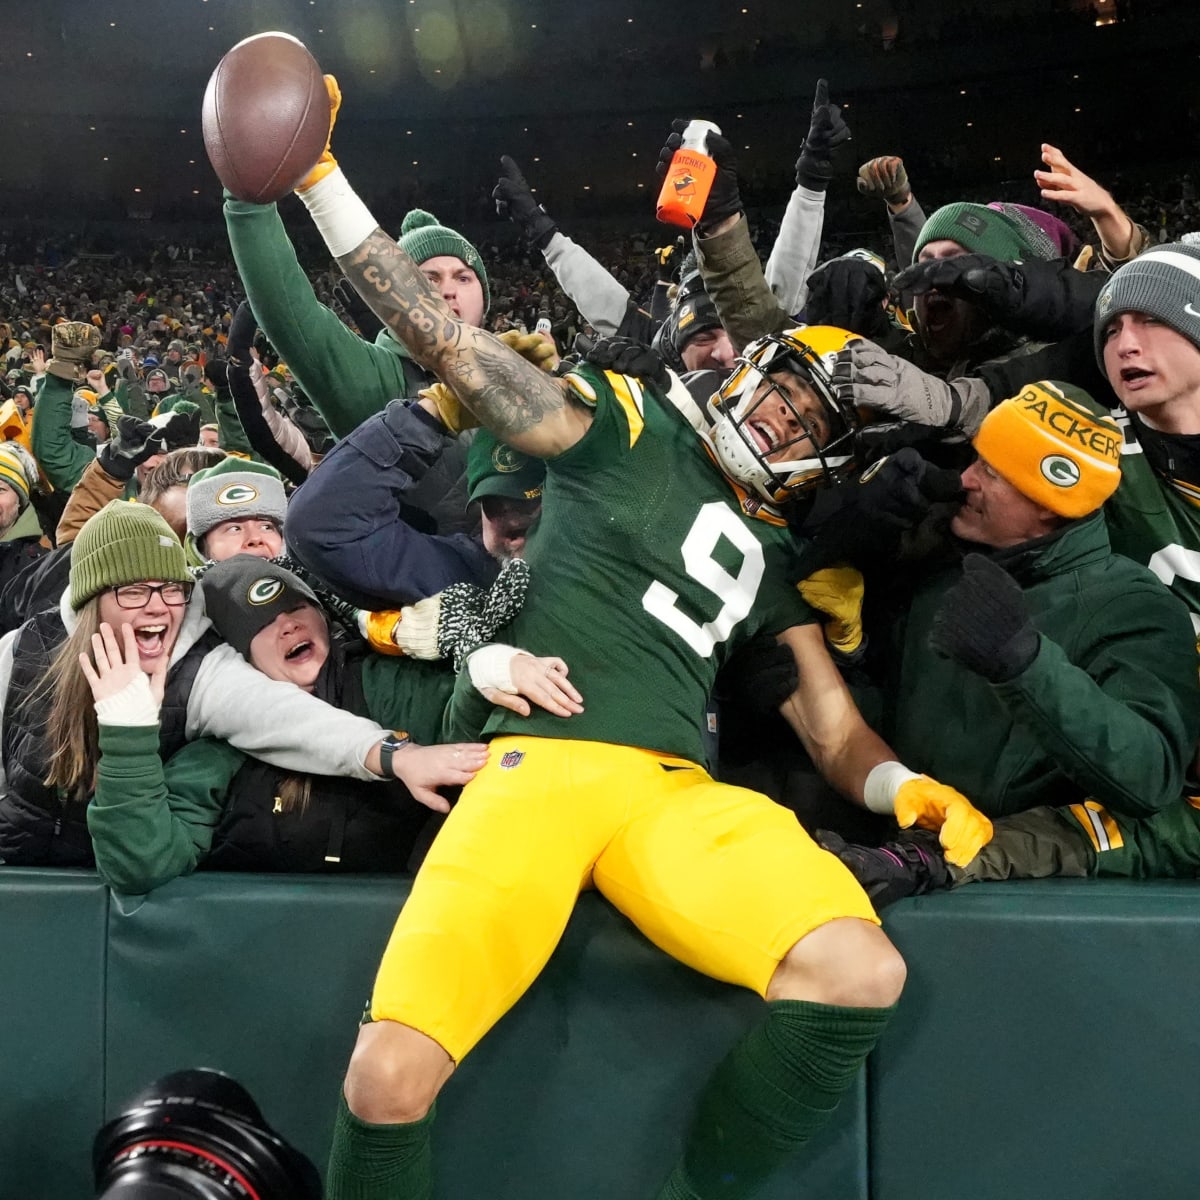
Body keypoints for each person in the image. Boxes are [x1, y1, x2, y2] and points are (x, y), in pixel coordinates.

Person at [286, 96, 939, 1200]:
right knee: (387, 1077)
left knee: (858, 968)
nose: (783, 423)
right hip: (535, 770)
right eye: (782, 396)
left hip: (675, 793)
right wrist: (318, 184)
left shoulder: (776, 556)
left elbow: (827, 720)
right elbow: (447, 343)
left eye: (812, 426)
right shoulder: (631, 423)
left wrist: (902, 785)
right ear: (747, 375)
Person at [832, 243, 1200, 898]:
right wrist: (866, 532)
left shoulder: (1125, 595)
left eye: (1151, 322)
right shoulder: (1088, 455)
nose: (1124, 343)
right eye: (1112, 328)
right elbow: (1005, 412)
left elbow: (1146, 792)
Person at [0, 501, 467, 866]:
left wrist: (394, 755)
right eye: (134, 591)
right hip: (16, 869)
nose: (159, 607)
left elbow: (287, 718)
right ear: (92, 600)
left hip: (107, 870)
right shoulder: (26, 649)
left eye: (171, 588)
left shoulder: (199, 669)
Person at [84, 555, 514, 892]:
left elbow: (470, 730)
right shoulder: (219, 746)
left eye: (296, 607)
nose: (287, 625)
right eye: (261, 624)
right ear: (241, 654)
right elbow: (143, 865)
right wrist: (127, 740)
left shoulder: (388, 684)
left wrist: (484, 669)